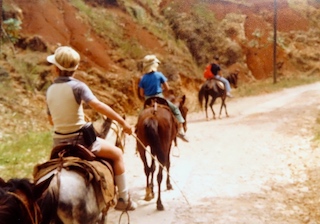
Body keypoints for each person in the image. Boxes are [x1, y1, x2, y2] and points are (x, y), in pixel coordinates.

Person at [46, 46, 137, 211]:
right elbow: (97, 105)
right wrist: (123, 123)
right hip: (82, 142)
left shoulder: (50, 90)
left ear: (56, 68)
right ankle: (123, 199)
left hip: (58, 143)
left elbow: (52, 120)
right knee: (117, 154)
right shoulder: (78, 86)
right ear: (75, 68)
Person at [138, 54, 189, 142]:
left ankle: (138, 131)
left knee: (140, 115)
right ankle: (180, 130)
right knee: (175, 110)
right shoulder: (159, 75)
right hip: (159, 97)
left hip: (148, 100)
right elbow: (167, 88)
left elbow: (141, 93)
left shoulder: (143, 78)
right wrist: (160, 89)